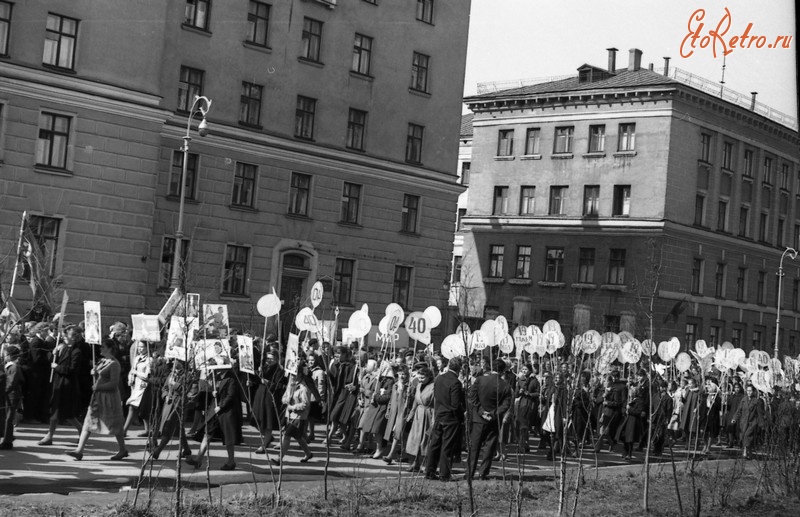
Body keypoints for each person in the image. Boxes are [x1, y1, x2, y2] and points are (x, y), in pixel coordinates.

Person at [65, 339, 128, 460]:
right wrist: (93, 373)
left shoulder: (114, 364)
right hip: (97, 398)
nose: (100, 349)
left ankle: (122, 449)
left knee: (115, 424)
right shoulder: (103, 361)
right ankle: (79, 450)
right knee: (88, 422)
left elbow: (114, 383)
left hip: (109, 398)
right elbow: (100, 375)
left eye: (103, 347)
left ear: (110, 348)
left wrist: (98, 386)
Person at [186, 369, 242, 470]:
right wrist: (214, 393)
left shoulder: (231, 378)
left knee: (228, 437)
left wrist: (221, 406)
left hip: (226, 411)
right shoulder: (216, 376)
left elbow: (231, 395)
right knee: (207, 433)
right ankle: (198, 459)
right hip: (214, 412)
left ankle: (231, 461)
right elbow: (213, 390)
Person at [39, 327, 84, 446]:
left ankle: (81, 431)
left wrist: (57, 367)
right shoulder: (62, 348)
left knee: (68, 414)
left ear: (73, 338)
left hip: (67, 385)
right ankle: (49, 435)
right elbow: (54, 361)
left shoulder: (77, 352)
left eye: (67, 335)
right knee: (55, 411)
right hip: (58, 382)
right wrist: (53, 354)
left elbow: (73, 370)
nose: (64, 337)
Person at [468, 358, 512, 480]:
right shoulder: (505, 386)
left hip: (479, 418)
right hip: (493, 419)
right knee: (489, 446)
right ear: (503, 371)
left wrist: (482, 412)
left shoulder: (480, 380)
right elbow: (506, 404)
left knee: (475, 446)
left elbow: (472, 397)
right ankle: (483, 472)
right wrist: (493, 414)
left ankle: (470, 472)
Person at [424, 356, 465, 481]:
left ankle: (429, 471)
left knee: (435, 444)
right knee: (447, 446)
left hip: (439, 413)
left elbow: (436, 395)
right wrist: (462, 411)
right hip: (451, 417)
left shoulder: (439, 378)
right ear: (460, 369)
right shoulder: (455, 382)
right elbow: (455, 403)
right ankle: (444, 473)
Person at [152, 360, 194, 460]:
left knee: (169, 425)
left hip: (179, 403)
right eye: (174, 361)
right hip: (168, 403)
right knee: (178, 427)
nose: (174, 363)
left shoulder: (188, 376)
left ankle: (158, 450)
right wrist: (165, 395)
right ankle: (187, 449)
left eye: (177, 361)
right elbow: (165, 388)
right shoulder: (171, 374)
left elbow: (186, 390)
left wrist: (174, 384)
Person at [270, 372, 314, 465]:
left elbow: (305, 405)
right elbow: (284, 398)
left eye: (294, 375)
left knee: (286, 436)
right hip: (289, 416)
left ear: (300, 375)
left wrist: (292, 407)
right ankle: (308, 453)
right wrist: (286, 399)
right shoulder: (291, 386)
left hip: (298, 417)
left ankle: (279, 459)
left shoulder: (304, 389)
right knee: (298, 437)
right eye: (291, 375)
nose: (292, 376)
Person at [251, 349, 285, 452]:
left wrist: (269, 383)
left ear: (276, 359)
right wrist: (253, 379)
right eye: (267, 358)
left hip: (270, 398)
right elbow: (258, 379)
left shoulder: (279, 371)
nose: (268, 361)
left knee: (268, 421)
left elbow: (280, 386)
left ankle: (264, 444)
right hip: (260, 396)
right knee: (256, 419)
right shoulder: (264, 368)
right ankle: (268, 437)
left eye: (271, 358)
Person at [405, 366, 435, 473]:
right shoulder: (418, 385)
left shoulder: (433, 387)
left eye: (423, 378)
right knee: (415, 439)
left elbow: (435, 404)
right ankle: (415, 463)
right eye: (419, 377)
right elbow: (415, 402)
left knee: (425, 440)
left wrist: (434, 420)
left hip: (428, 415)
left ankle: (424, 464)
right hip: (418, 415)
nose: (421, 380)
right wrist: (411, 415)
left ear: (428, 377)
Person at [616, 369, 648, 460]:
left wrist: (629, 410)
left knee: (630, 439)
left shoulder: (639, 401)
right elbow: (623, 406)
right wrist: (624, 410)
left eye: (633, 393)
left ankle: (629, 453)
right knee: (623, 436)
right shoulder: (628, 400)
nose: (631, 394)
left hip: (633, 421)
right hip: (625, 420)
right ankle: (624, 451)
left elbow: (638, 411)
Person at [382, 366, 410, 465]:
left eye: (404, 374)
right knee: (402, 435)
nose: (402, 376)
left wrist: (407, 392)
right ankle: (404, 454)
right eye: (400, 374)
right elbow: (391, 399)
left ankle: (390, 455)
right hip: (394, 411)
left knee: (397, 433)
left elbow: (409, 402)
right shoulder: (395, 385)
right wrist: (388, 410)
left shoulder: (409, 387)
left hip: (403, 413)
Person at [123, 341, 151, 435]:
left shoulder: (149, 360)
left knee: (133, 407)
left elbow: (147, 376)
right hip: (135, 387)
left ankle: (124, 430)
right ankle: (148, 430)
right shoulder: (136, 358)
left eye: (142, 347)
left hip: (144, 388)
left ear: (147, 348)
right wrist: (130, 378)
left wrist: (136, 373)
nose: (140, 349)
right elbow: (132, 370)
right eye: (139, 347)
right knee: (141, 410)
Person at [732, 384, 766, 459]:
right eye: (748, 391)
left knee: (747, 436)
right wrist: (734, 418)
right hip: (743, 422)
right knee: (743, 437)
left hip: (752, 422)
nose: (749, 392)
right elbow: (739, 410)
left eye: (750, 391)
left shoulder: (756, 401)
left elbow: (759, 414)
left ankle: (744, 452)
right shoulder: (743, 400)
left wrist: (761, 424)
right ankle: (749, 452)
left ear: (753, 392)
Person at [1, 345, 25, 449]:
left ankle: (7, 441)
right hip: (8, 395)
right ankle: (8, 436)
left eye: (6, 354)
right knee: (6, 417)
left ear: (10, 356)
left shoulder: (14, 367)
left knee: (9, 419)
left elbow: (11, 383)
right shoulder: (8, 365)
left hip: (12, 395)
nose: (4, 356)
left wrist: (3, 391)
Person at [515, 362, 540, 453]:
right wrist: (520, 392)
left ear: (530, 370)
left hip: (530, 405)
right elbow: (516, 394)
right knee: (520, 425)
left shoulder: (534, 380)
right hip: (521, 404)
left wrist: (529, 394)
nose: (524, 371)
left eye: (526, 369)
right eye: (523, 370)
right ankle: (523, 443)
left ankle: (524, 444)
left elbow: (538, 393)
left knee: (525, 426)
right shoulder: (520, 381)